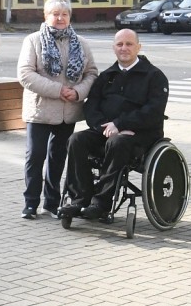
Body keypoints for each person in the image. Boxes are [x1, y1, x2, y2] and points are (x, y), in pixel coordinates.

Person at [59, 29, 169, 220]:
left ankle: (101, 203)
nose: (124, 48)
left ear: (138, 47)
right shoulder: (107, 76)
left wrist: (121, 124)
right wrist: (103, 126)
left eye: (129, 44)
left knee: (117, 142)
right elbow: (91, 106)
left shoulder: (154, 76)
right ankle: (79, 199)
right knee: (76, 140)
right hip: (107, 131)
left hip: (140, 135)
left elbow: (154, 111)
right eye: (119, 44)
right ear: (113, 48)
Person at [17, 0, 98, 220]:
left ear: (70, 17)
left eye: (64, 14)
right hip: (40, 109)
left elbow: (92, 73)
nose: (60, 18)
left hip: (68, 111)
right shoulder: (33, 40)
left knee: (58, 158)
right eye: (55, 14)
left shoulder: (81, 43)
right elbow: (25, 74)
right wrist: (58, 89)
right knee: (35, 156)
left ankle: (51, 203)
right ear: (46, 16)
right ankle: (30, 203)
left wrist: (78, 91)